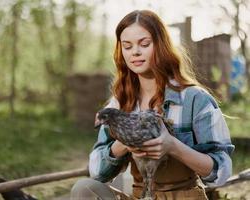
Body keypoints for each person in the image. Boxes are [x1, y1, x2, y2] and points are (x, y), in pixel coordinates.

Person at [70, 10, 234, 200]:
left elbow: (222, 172)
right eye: (127, 46)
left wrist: (173, 146)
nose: (135, 52)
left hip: (183, 196)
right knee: (85, 188)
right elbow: (97, 173)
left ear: (161, 45)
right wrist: (124, 141)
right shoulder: (119, 105)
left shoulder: (195, 99)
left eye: (144, 44)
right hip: (142, 196)